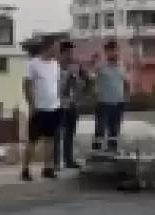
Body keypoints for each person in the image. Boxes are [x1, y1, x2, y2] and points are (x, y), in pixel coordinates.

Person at [21, 36, 62, 181]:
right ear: (47, 47)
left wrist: (59, 100)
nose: (57, 50)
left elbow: (56, 84)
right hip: (39, 108)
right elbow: (27, 85)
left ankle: (48, 168)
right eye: (55, 47)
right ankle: (25, 169)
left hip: (54, 107)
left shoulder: (55, 64)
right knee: (33, 140)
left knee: (50, 139)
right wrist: (31, 104)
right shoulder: (33, 64)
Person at [90, 40, 128, 153]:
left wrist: (126, 96)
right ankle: (96, 152)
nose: (115, 53)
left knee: (114, 130)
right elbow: (90, 76)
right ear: (106, 52)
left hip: (118, 103)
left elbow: (125, 82)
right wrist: (93, 62)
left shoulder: (122, 66)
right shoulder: (100, 66)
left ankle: (112, 151)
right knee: (100, 129)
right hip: (104, 103)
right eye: (112, 50)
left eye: (116, 50)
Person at [57, 41, 89, 169]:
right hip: (58, 104)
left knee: (70, 133)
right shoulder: (55, 66)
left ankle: (68, 160)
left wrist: (82, 93)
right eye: (67, 52)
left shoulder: (76, 66)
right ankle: (55, 162)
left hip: (72, 104)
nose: (70, 54)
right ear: (62, 52)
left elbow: (86, 80)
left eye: (71, 51)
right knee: (57, 134)